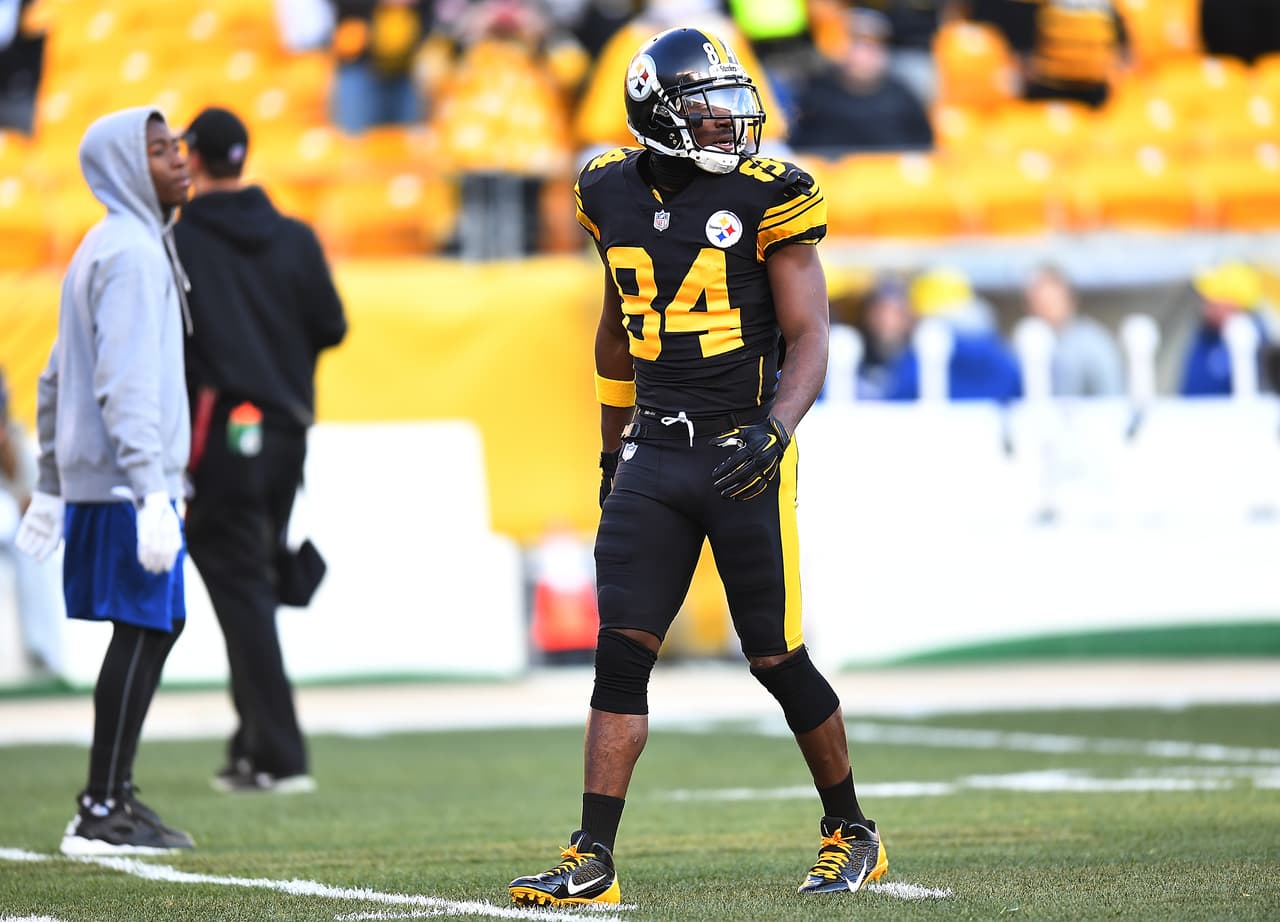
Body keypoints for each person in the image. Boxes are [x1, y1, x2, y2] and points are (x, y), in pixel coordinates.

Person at [507, 25, 887, 908]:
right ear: (658, 113)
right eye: (707, 105)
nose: (728, 121)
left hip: (739, 449)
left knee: (775, 656)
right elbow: (614, 330)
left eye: (728, 102)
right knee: (620, 653)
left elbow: (811, 334)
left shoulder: (770, 197)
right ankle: (591, 853)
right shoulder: (607, 189)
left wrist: (778, 429)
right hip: (654, 453)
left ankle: (850, 828)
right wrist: (610, 451)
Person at [15, 106, 194, 854]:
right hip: (130, 484)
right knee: (146, 625)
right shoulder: (129, 252)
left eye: (176, 144)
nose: (179, 158)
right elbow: (124, 385)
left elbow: (54, 377)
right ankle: (99, 805)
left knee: (155, 624)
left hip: (116, 480)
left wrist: (55, 483)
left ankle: (110, 795)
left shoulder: (111, 244)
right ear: (126, 166)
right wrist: (150, 488)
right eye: (158, 150)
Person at [175, 106, 347, 794]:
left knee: (240, 583)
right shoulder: (295, 236)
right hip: (285, 429)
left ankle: (277, 753)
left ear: (192, 156)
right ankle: (253, 741)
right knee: (253, 580)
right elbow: (331, 326)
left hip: (223, 432)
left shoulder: (180, 244)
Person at [787, 7, 934, 154]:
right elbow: (797, 145)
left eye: (872, 47)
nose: (863, 56)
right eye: (856, 45)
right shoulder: (816, 94)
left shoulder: (902, 96)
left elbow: (923, 146)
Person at [1022, 264, 1124, 398]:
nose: (1045, 308)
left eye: (1051, 300)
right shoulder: (1030, 341)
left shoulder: (1092, 343)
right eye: (1038, 302)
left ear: (1069, 299)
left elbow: (1112, 395)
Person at [1179, 261, 1270, 397]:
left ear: (1233, 304)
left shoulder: (1256, 345)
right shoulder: (1205, 336)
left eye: (1211, 301)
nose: (1204, 308)